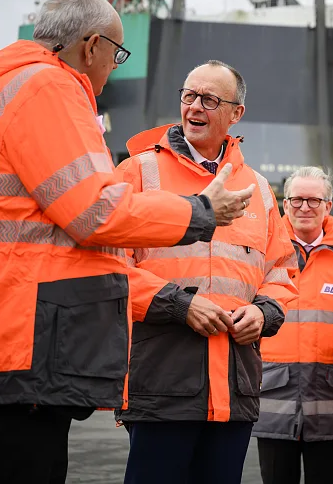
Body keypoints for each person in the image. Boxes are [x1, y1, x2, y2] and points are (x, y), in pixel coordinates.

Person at [0, 0, 253, 484]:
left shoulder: (14, 86)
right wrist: (201, 212)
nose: (114, 69)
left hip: (0, 336)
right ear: (92, 46)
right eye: (117, 54)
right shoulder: (47, 88)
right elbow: (95, 212)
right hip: (18, 346)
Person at [114, 61, 299, 484]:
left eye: (209, 100)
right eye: (188, 96)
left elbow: (282, 271)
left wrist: (265, 313)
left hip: (235, 386)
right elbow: (112, 265)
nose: (194, 107)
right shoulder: (138, 173)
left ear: (236, 114)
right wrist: (179, 306)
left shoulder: (257, 189)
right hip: (163, 378)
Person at [254, 166, 333, 484]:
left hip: (330, 402)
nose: (304, 207)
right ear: (284, 204)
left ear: (328, 206)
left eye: (314, 200)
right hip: (275, 401)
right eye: (296, 200)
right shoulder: (263, 256)